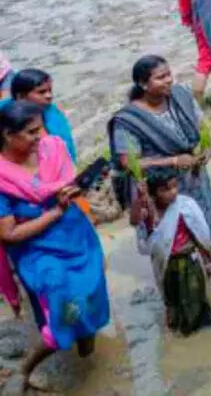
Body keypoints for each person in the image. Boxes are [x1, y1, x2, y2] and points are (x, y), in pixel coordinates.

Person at [0, 102, 110, 386]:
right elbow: (8, 234)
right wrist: (54, 213)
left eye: (41, 128)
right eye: (31, 132)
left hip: (76, 237)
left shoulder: (52, 148)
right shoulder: (2, 178)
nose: (40, 137)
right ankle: (26, 368)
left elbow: (69, 184)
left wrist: (75, 192)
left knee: (91, 293)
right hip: (39, 251)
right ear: (8, 135)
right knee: (65, 303)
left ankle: (87, 355)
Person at [109, 56, 211, 241]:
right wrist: (173, 161)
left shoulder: (181, 96)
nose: (168, 80)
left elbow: (201, 125)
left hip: (193, 176)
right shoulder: (129, 120)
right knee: (173, 239)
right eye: (161, 77)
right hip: (161, 188)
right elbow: (129, 163)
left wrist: (204, 150)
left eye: (169, 74)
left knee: (201, 227)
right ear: (143, 84)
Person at [137, 168, 211, 335]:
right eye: (165, 189)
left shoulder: (185, 206)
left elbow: (199, 234)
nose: (172, 192)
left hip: (189, 261)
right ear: (154, 193)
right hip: (167, 266)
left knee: (195, 300)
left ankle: (198, 335)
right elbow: (145, 242)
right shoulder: (150, 213)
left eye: (174, 186)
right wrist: (141, 200)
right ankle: (181, 332)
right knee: (172, 301)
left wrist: (209, 258)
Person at [0, 69, 75, 160]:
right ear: (21, 96)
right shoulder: (6, 117)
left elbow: (67, 146)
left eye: (50, 90)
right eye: (41, 92)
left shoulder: (52, 112)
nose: (49, 96)